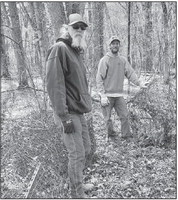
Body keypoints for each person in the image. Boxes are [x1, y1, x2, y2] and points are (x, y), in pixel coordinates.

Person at [46, 13, 93, 198]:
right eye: (76, 27)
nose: (80, 30)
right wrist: (64, 117)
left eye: (83, 27)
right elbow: (54, 85)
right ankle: (76, 192)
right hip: (67, 113)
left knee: (86, 148)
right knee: (77, 154)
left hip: (78, 111)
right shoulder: (59, 48)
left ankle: (78, 182)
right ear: (67, 28)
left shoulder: (75, 50)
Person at [96, 36, 148, 140]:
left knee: (124, 116)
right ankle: (110, 136)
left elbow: (130, 73)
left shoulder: (122, 60)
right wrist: (102, 95)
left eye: (117, 43)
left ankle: (126, 136)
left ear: (119, 46)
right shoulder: (105, 60)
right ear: (109, 46)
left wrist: (139, 83)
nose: (115, 45)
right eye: (113, 43)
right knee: (107, 119)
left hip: (119, 95)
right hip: (107, 95)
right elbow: (99, 78)